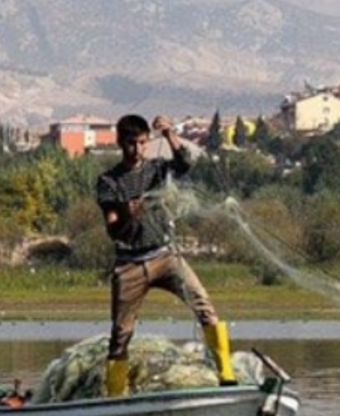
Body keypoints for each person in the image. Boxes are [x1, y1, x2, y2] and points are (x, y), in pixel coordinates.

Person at [95, 114, 235, 397]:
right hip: (129, 265)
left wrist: (170, 134)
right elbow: (113, 230)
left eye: (142, 143)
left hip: (166, 257)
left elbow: (184, 164)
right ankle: (115, 397)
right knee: (121, 334)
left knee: (204, 306)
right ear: (120, 143)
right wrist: (127, 214)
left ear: (148, 142)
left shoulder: (157, 169)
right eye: (131, 143)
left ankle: (227, 376)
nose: (137, 149)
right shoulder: (108, 181)